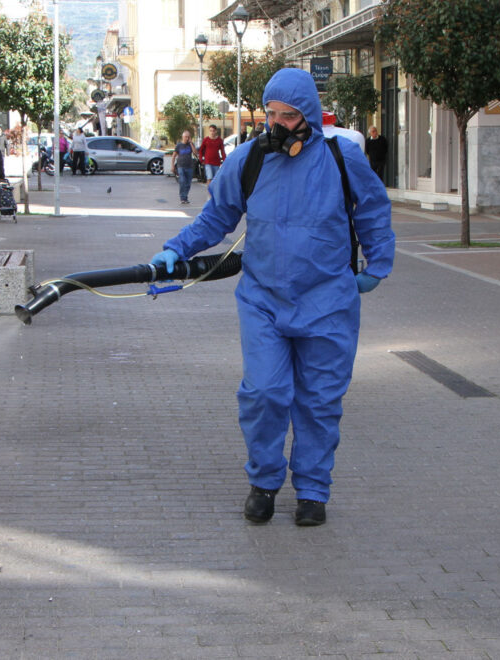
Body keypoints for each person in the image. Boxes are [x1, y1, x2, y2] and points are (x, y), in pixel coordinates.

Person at [150, 68, 395, 527]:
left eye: (288, 115)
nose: (277, 124)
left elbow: (374, 211)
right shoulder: (248, 160)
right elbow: (216, 216)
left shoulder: (342, 158)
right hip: (264, 300)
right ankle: (263, 482)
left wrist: (377, 267)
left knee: (319, 401)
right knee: (264, 393)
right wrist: (176, 248)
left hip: (329, 302)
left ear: (309, 118)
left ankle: (313, 492)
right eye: (271, 114)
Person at [171, 130, 196, 205]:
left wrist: (191, 143)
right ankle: (182, 197)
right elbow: (173, 156)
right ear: (183, 137)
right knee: (182, 181)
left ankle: (185, 197)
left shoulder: (190, 145)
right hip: (180, 166)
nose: (187, 138)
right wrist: (172, 166)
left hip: (189, 166)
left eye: (188, 137)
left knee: (188, 183)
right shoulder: (179, 146)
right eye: (186, 137)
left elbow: (195, 153)